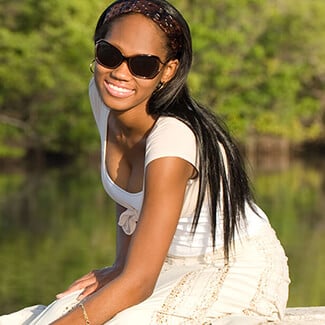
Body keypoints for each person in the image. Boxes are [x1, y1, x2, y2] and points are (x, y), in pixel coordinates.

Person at [0, 0, 290, 324]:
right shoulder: (102, 99)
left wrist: (128, 275)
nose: (120, 73)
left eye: (143, 65)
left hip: (231, 267)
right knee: (57, 310)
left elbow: (139, 282)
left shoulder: (173, 140)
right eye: (109, 55)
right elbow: (129, 199)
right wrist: (120, 266)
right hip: (161, 262)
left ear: (168, 71)